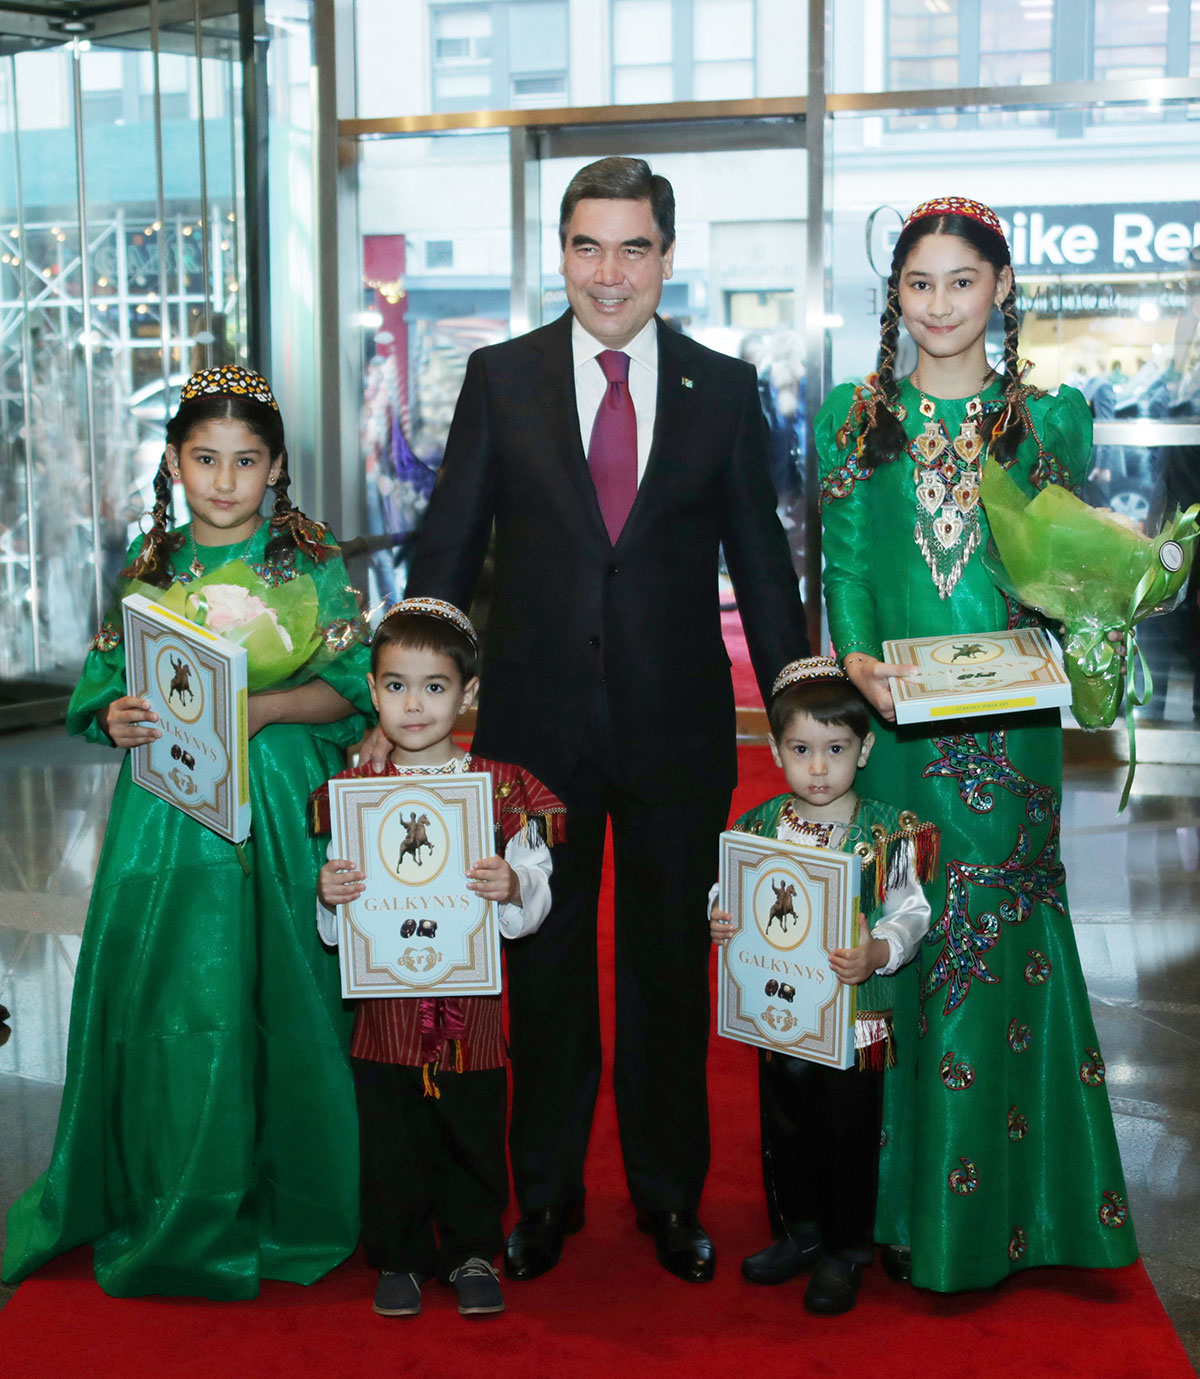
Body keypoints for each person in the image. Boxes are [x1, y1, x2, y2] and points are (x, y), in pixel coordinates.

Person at [394, 156, 808, 1282]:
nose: (609, 271)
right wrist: (406, 694)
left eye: (633, 247)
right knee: (544, 968)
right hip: (535, 731)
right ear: (561, 252)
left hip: (679, 728)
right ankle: (548, 1198)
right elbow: (446, 540)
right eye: (588, 245)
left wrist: (802, 710)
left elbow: (763, 567)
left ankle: (671, 1198)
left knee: (671, 973)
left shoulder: (724, 388)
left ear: (668, 257)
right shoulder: (503, 375)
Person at [815, 195, 1138, 1291]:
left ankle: (1023, 1208)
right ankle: (891, 1212)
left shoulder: (1051, 418)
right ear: (893, 296)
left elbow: (1064, 567)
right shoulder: (856, 417)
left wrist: (1090, 628)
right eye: (919, 283)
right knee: (903, 922)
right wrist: (858, 665)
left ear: (999, 289)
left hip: (1010, 735)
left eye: (962, 280)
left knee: (1000, 928)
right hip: (899, 725)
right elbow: (849, 563)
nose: (940, 303)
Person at [2, 365, 375, 1299]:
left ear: (276, 466)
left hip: (282, 807)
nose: (223, 480)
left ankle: (295, 1196)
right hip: (167, 820)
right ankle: (179, 1189)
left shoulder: (311, 560)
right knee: (177, 1004)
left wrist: (264, 707)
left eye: (245, 461)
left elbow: (358, 683)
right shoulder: (150, 562)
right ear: (174, 460)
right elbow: (105, 689)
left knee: (287, 995)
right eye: (204, 458)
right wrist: (121, 715)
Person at [312, 598, 564, 1320]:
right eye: (395, 685)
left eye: (434, 686)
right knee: (391, 1134)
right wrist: (330, 896)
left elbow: (536, 895)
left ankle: (472, 1247)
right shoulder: (354, 795)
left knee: (473, 1130)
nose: (413, 704)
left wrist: (513, 883)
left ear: (468, 692)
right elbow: (336, 920)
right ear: (371, 687)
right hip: (385, 1009)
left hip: (472, 1010)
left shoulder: (504, 790)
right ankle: (398, 1252)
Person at [710, 657, 937, 1315]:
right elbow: (729, 888)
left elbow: (912, 910)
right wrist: (719, 915)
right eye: (801, 749)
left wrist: (879, 949)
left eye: (834, 750)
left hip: (857, 1015)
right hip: (781, 1010)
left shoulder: (889, 829)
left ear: (863, 750)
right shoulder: (758, 825)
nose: (817, 767)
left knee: (848, 1127)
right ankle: (799, 1230)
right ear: (776, 748)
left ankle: (846, 1247)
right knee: (785, 1121)